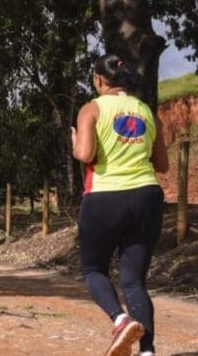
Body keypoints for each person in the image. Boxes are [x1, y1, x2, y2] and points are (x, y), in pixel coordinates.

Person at [72, 54, 169, 356]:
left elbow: (86, 154)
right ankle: (147, 352)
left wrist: (75, 140)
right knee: (134, 280)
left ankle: (120, 319)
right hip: (146, 196)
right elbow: (163, 165)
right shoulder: (147, 112)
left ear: (98, 79)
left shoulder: (91, 109)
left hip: (105, 196)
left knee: (93, 269)